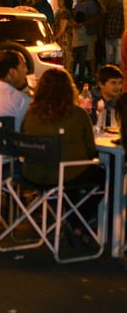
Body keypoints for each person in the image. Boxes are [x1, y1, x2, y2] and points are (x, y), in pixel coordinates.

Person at [21, 68, 105, 238]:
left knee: (72, 173)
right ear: (69, 89)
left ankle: (73, 221)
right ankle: (79, 221)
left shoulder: (30, 115)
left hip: (33, 173)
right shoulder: (79, 115)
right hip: (67, 173)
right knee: (103, 176)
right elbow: (90, 149)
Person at [74, 0, 101, 78]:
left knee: (90, 54)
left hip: (90, 33)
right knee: (83, 55)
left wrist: (83, 24)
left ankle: (93, 74)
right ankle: (87, 73)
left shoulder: (91, 4)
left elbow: (95, 19)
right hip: (80, 34)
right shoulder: (78, 5)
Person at [54, 0, 74, 74]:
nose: (58, 2)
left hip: (64, 39)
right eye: (58, 0)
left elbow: (62, 29)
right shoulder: (59, 11)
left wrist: (54, 38)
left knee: (65, 58)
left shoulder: (64, 12)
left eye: (61, 0)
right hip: (60, 38)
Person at [72, 11, 89, 82]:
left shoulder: (73, 25)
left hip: (75, 45)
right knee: (82, 62)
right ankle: (81, 77)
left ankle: (72, 75)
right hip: (83, 45)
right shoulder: (84, 25)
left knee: (74, 62)